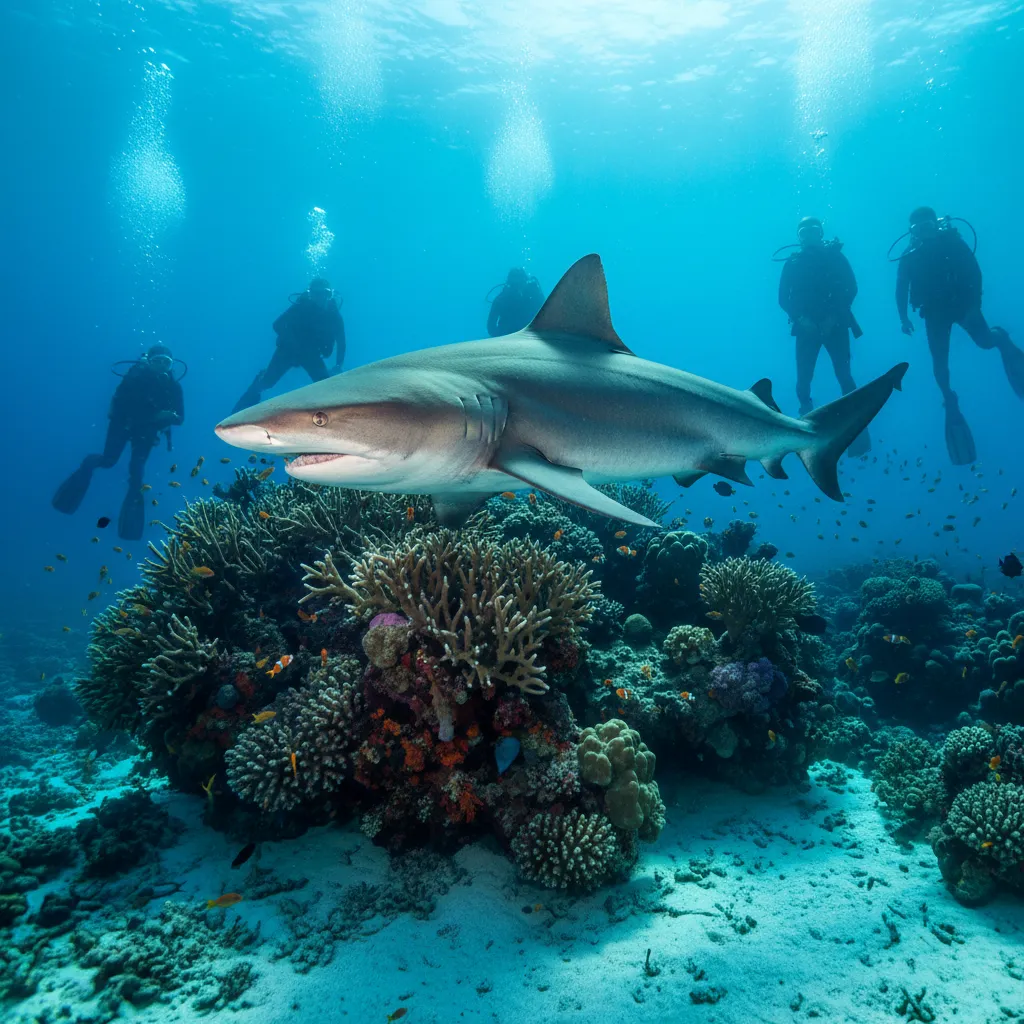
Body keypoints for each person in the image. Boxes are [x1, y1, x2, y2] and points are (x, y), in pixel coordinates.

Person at [895, 206, 1024, 464]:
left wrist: (974, 305)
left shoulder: (953, 243)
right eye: (919, 228)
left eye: (928, 225)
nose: (925, 230)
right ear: (913, 231)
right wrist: (903, 318)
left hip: (964, 305)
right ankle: (949, 399)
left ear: (936, 224)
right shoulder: (909, 255)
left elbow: (975, 274)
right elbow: (901, 288)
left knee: (986, 342)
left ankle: (1001, 339)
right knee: (940, 367)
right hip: (934, 314)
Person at [52, 344, 184, 540]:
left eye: (166, 362)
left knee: (137, 472)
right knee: (108, 460)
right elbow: (124, 407)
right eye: (158, 361)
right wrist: (157, 415)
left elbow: (180, 418)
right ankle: (85, 469)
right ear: (149, 361)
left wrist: (165, 417)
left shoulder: (173, 386)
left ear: (172, 365)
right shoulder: (135, 377)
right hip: (122, 425)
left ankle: (129, 525)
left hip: (146, 432)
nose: (162, 366)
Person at [778, 216, 870, 456]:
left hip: (835, 325)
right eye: (804, 233)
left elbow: (852, 288)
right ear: (799, 237)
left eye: (813, 231)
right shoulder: (792, 262)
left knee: (844, 374)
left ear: (821, 233)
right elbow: (782, 298)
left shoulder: (835, 257)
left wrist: (834, 317)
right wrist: (800, 318)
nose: (809, 236)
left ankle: (854, 418)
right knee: (803, 378)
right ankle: (805, 415)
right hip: (806, 327)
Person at [233, 278, 345, 412]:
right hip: (288, 352)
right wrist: (294, 344)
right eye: (315, 294)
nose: (319, 298)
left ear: (329, 295)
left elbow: (341, 341)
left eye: (323, 294)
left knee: (325, 385)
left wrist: (338, 365)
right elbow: (277, 324)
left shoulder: (334, 315)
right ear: (310, 294)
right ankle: (252, 392)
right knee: (267, 383)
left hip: (311, 355)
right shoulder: (301, 307)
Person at [487, 267, 545, 337]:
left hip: (532, 336)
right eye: (514, 285)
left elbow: (547, 316)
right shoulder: (501, 299)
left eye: (520, 283)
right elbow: (491, 327)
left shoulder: (535, 296)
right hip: (508, 337)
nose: (517, 288)